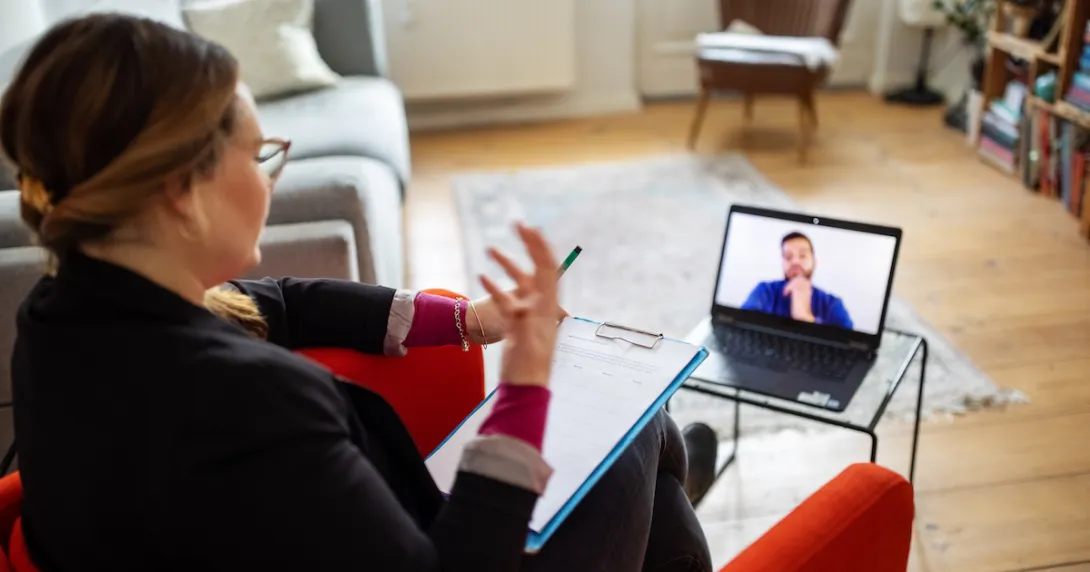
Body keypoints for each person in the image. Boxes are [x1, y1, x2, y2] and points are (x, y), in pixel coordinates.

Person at [1, 14, 719, 571]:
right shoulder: (252, 405)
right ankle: (668, 507)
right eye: (258, 154)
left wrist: (466, 319)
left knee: (651, 478)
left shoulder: (57, 318)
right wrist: (526, 386)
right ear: (180, 192)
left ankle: (665, 517)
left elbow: (279, 301)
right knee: (639, 423)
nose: (270, 173)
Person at [740, 231, 853, 329]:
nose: (795, 262)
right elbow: (742, 324)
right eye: (788, 257)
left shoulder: (832, 304)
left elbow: (848, 344)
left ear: (814, 262)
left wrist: (805, 317)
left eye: (802, 256)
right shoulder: (765, 291)